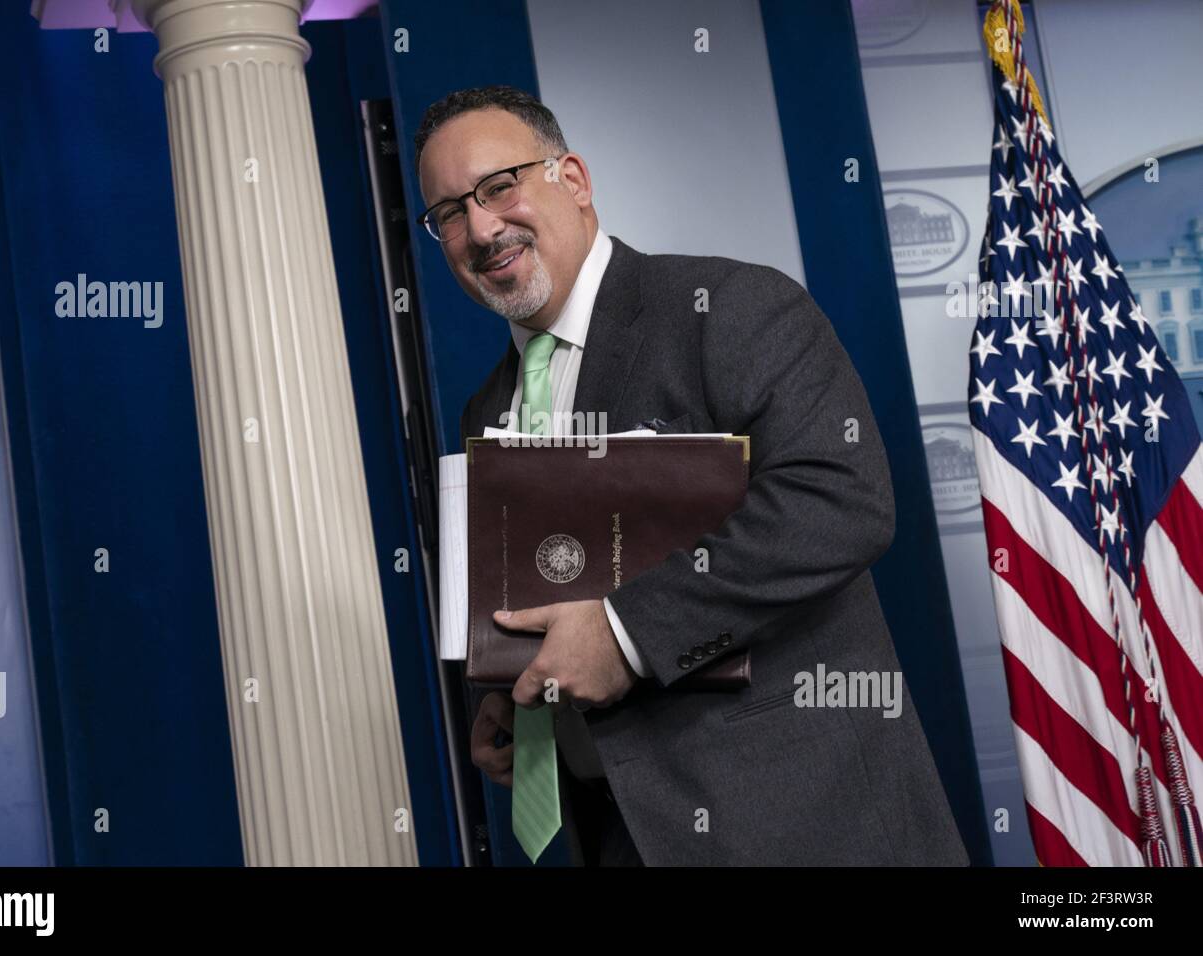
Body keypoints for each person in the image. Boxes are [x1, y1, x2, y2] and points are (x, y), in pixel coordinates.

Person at [414, 85, 968, 866]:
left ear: (572, 179)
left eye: (499, 186)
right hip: (620, 837)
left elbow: (841, 500)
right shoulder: (488, 407)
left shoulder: (731, 307)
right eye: (447, 213)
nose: (479, 227)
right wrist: (517, 704)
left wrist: (626, 633)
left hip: (796, 826)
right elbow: (545, 598)